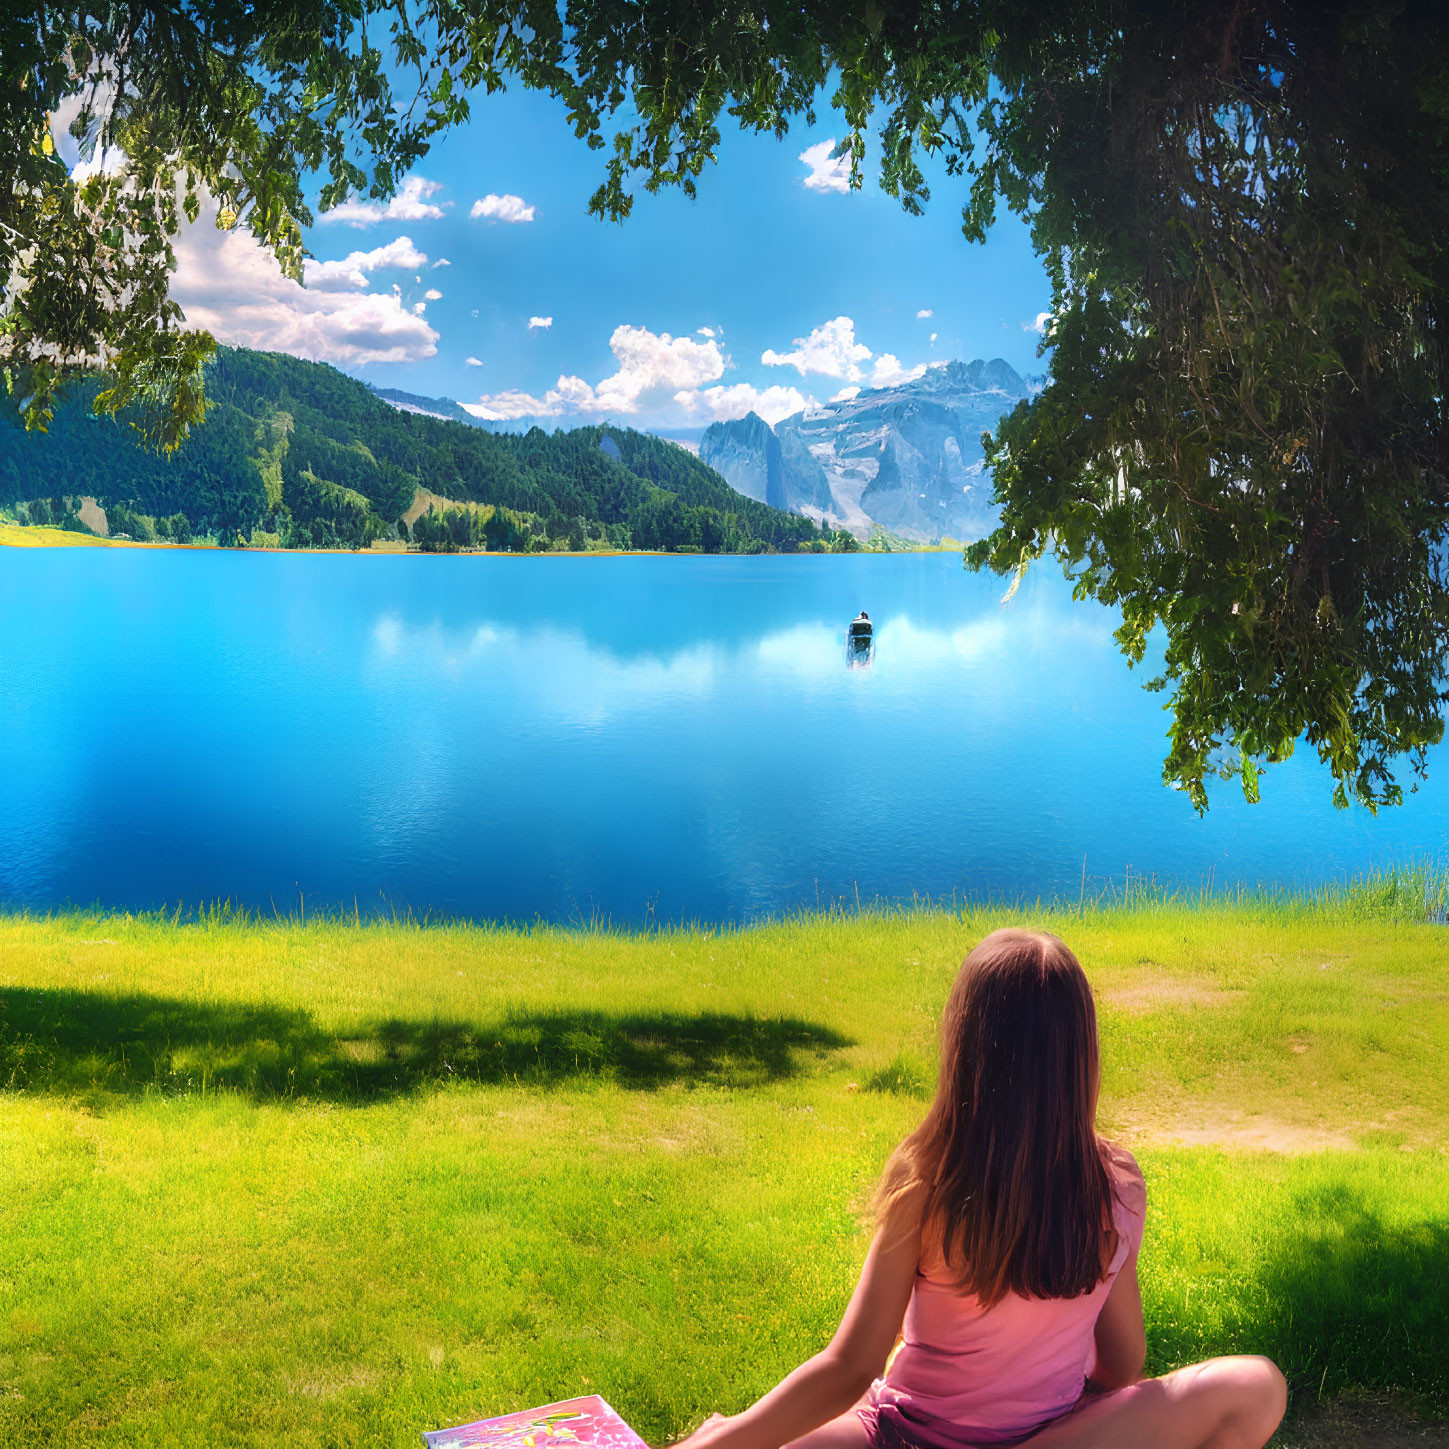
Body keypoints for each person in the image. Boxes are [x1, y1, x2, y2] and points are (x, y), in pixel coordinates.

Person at [669, 929, 1286, 1449]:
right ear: (1082, 1056)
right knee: (1255, 1384)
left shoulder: (928, 1180)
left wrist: (725, 1441)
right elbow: (1122, 1367)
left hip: (907, 1436)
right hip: (1050, 1437)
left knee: (755, 1436)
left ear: (966, 1051)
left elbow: (850, 1366)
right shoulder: (1116, 1187)